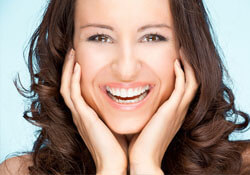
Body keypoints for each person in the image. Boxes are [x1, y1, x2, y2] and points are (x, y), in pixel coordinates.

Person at [0, 0, 250, 174]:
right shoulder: (18, 172)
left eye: (152, 37)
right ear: (68, 50)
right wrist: (109, 169)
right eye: (100, 37)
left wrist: (146, 167)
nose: (126, 69)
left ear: (189, 51)